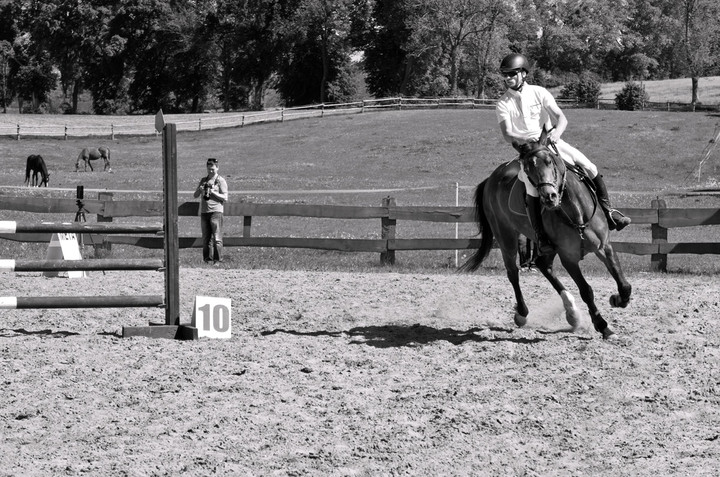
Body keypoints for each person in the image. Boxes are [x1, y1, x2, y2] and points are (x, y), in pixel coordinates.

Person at [495, 52, 630, 255]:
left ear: (523, 73)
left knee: (590, 167)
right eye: (505, 75)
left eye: (512, 74)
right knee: (532, 190)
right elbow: (507, 134)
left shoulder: (539, 93)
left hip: (552, 142)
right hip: (528, 151)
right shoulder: (503, 103)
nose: (508, 78)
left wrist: (556, 134)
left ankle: (610, 213)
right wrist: (528, 141)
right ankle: (541, 236)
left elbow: (561, 118)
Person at [194, 158, 228, 264]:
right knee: (206, 239)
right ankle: (207, 260)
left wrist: (213, 192)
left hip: (216, 212)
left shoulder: (220, 180)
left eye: (213, 169)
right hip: (204, 212)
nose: (211, 171)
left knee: (217, 238)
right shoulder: (203, 180)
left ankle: (218, 260)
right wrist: (199, 190)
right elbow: (195, 196)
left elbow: (225, 197)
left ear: (217, 168)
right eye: (209, 169)